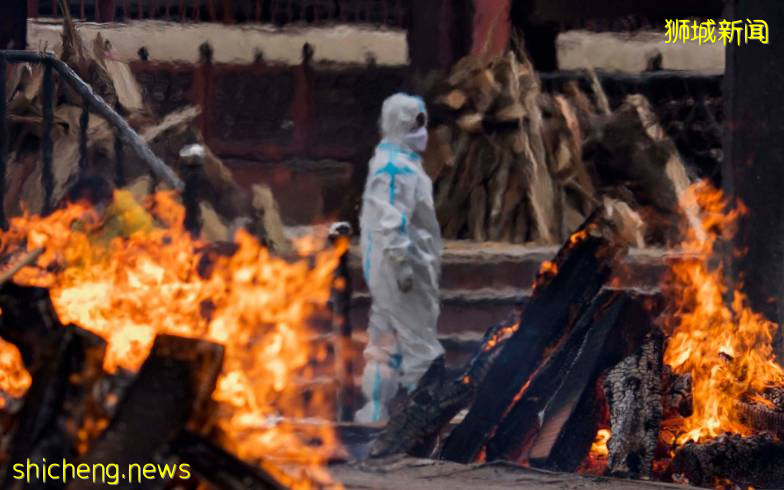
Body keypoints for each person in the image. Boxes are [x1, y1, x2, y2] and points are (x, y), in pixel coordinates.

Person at [355, 93, 444, 424]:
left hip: (389, 268)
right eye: (416, 122)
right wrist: (402, 265)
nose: (423, 130)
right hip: (404, 267)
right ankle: (422, 418)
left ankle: (377, 410)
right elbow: (391, 221)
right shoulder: (396, 169)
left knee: (382, 341)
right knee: (419, 344)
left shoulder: (392, 161)